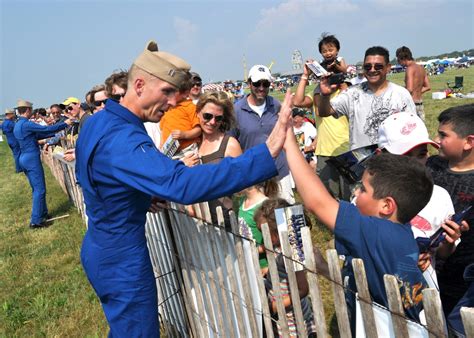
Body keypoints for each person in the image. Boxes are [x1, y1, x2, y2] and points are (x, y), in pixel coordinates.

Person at [74, 40, 293, 337]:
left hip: (102, 244)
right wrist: (264, 154)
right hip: (121, 257)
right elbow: (183, 184)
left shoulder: (99, 121)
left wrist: (137, 194)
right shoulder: (122, 137)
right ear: (138, 85)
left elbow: (95, 173)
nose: (173, 102)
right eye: (166, 92)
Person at [284, 127, 432, 325]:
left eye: (362, 189)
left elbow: (317, 203)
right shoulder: (400, 233)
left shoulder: (377, 232)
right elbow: (366, 285)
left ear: (386, 205)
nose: (355, 193)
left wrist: (289, 143)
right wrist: (324, 268)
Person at [377, 112, 467, 289]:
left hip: (424, 295)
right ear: (381, 155)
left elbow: (442, 254)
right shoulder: (368, 198)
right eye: (405, 155)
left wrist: (448, 241)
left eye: (422, 154)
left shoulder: (439, 196)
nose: (415, 163)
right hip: (380, 291)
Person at [317, 46, 416, 150]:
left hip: (395, 159)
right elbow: (325, 112)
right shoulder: (351, 93)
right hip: (363, 161)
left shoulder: (401, 94)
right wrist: (325, 95)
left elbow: (413, 129)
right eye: (368, 67)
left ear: (388, 68)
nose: (372, 70)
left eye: (378, 66)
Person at [426, 104, 474, 316]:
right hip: (427, 268)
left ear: (469, 142)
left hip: (462, 276)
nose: (436, 140)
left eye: (443, 135)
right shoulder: (431, 166)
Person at [231, 64, 295, 203]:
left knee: (287, 215)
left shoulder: (276, 105)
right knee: (262, 219)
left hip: (280, 171)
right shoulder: (236, 111)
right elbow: (231, 143)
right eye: (256, 83)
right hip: (255, 174)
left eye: (265, 84)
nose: (261, 88)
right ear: (249, 84)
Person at [254, 198, 317, 337]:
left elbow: (303, 289)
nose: (262, 235)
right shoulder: (277, 247)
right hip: (282, 315)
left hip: (293, 320)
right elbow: (281, 270)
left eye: (263, 231)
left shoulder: (292, 253)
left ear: (277, 231)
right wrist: (268, 271)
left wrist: (275, 306)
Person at [183, 91, 242, 227]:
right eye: (207, 116)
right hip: (198, 224)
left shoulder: (230, 144)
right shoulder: (191, 145)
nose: (212, 122)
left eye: (218, 118)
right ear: (197, 112)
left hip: (226, 222)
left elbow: (242, 189)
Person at [293, 60, 350, 200]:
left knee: (349, 193)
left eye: (331, 75)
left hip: (346, 148)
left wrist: (342, 77)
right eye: (323, 76)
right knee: (329, 195)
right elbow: (297, 101)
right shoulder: (317, 94)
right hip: (324, 150)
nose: (328, 79)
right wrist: (305, 75)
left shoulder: (345, 92)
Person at [13, 99, 72, 228]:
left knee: (36, 188)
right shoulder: (27, 124)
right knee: (40, 189)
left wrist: (53, 132)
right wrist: (64, 124)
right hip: (31, 158)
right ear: (28, 110)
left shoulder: (18, 125)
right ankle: (36, 221)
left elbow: (38, 135)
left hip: (24, 158)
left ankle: (43, 213)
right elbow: (45, 130)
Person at [238, 178, 279, 270]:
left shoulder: (264, 205)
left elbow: (275, 239)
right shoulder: (242, 201)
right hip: (248, 262)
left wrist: (253, 251)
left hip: (263, 265)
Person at [159, 73, 202, 158]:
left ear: (185, 93)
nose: (170, 94)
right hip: (169, 152)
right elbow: (163, 131)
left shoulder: (190, 106)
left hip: (187, 150)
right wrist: (161, 147)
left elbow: (198, 130)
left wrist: (184, 135)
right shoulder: (167, 108)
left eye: (174, 92)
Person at [396, 46, 431, 120]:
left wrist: (399, 93)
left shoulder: (410, 69)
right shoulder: (421, 68)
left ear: (402, 58)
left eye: (398, 60)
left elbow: (410, 89)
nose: (398, 62)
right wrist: (417, 92)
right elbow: (428, 87)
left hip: (411, 105)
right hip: (420, 103)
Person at [1, 108, 23, 172]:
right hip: (15, 141)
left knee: (15, 154)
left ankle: (19, 168)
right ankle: (19, 169)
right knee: (18, 154)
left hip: (9, 140)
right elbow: (18, 130)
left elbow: (4, 133)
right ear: (9, 114)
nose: (14, 115)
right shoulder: (11, 123)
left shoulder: (3, 123)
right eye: (13, 114)